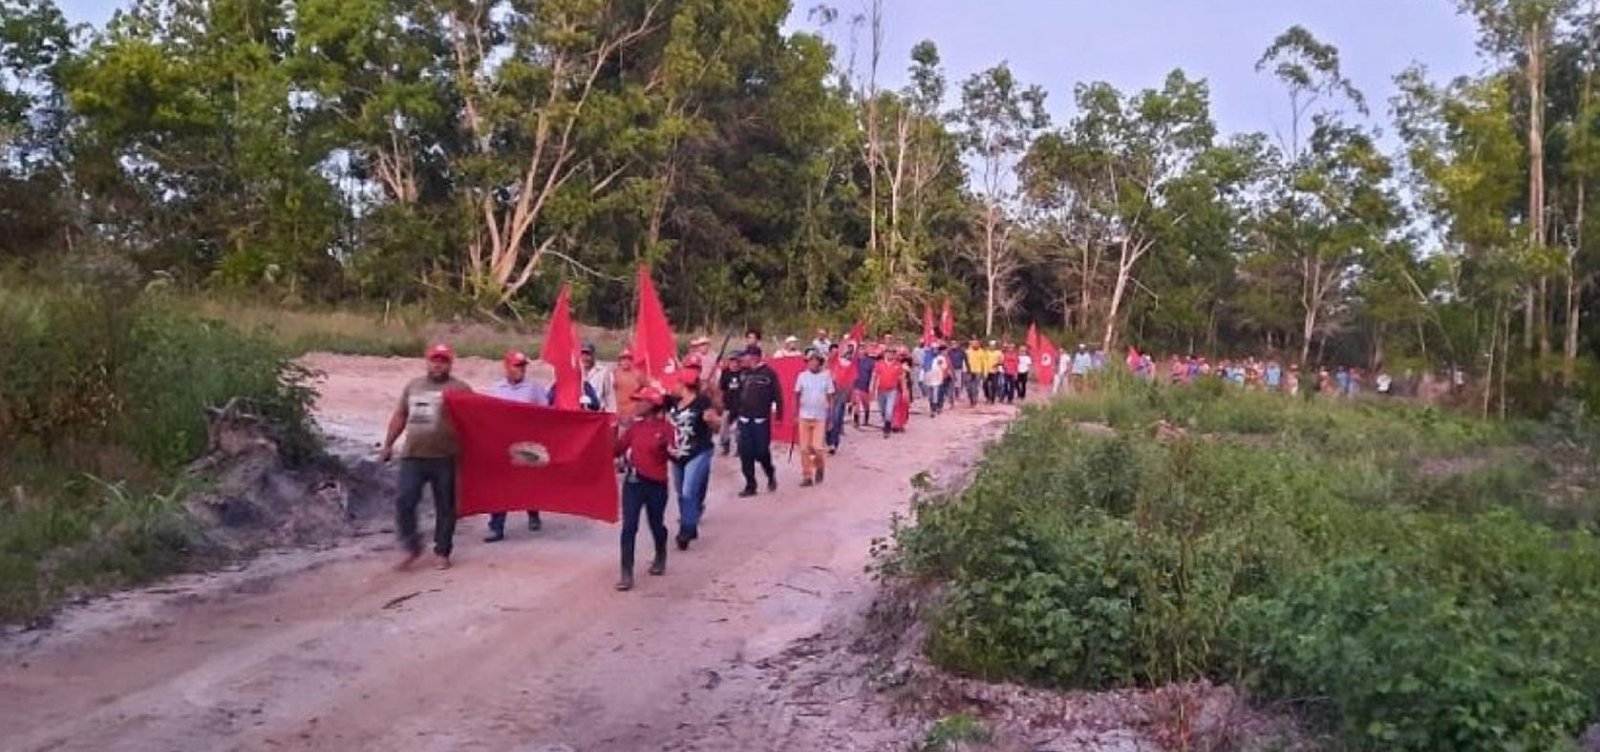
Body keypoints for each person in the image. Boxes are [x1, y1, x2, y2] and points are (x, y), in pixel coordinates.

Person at [379, 343, 471, 571]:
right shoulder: (414, 386)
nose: (438, 364)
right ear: (427, 361)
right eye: (434, 360)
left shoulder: (461, 389)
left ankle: (442, 551)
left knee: (445, 507)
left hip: (446, 457)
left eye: (443, 360)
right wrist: (388, 444)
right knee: (404, 500)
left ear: (450, 363)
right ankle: (412, 546)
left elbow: (474, 422)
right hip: (413, 455)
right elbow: (400, 415)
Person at [613, 387, 673, 591]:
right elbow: (616, 450)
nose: (637, 404)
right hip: (634, 483)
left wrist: (667, 448)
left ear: (652, 405)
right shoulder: (634, 429)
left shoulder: (666, 428)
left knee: (656, 524)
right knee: (629, 527)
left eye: (641, 401)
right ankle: (626, 573)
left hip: (656, 484)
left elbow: (676, 454)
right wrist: (612, 430)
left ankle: (661, 553)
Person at [485, 350, 548, 543]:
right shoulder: (496, 389)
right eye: (517, 365)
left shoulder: (534, 388)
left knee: (529, 481)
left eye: (523, 366)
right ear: (507, 367)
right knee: (500, 485)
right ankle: (496, 526)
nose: (521, 369)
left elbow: (546, 413)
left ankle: (533, 512)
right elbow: (487, 414)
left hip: (527, 442)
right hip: (503, 442)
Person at [667, 369, 718, 550]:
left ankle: (686, 530)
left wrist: (711, 421)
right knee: (681, 493)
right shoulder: (672, 401)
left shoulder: (702, 402)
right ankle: (691, 524)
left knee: (689, 491)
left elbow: (717, 426)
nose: (673, 386)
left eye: (676, 383)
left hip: (698, 452)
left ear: (684, 386)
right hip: (676, 455)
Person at [734, 345, 782, 497]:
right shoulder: (743, 374)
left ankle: (770, 473)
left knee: (761, 452)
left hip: (761, 420)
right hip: (744, 419)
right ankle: (750, 485)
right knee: (745, 453)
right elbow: (734, 394)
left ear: (754, 357)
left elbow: (777, 396)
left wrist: (779, 416)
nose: (743, 359)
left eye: (745, 356)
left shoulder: (769, 374)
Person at [794, 351, 834, 486]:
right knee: (804, 448)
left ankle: (820, 466)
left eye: (815, 360)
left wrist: (831, 416)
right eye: (810, 360)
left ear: (820, 362)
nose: (812, 363)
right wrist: (795, 414)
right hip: (804, 415)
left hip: (820, 417)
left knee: (817, 447)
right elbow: (797, 395)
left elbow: (830, 397)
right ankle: (807, 476)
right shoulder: (802, 376)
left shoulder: (826, 377)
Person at [825, 343, 854, 454]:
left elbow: (851, 380)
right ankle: (828, 439)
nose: (835, 354)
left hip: (839, 394)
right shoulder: (823, 364)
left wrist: (850, 397)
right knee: (826, 418)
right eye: (832, 352)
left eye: (837, 353)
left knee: (836, 418)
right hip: (825, 395)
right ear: (829, 353)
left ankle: (834, 443)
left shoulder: (845, 364)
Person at [870, 344, 901, 438]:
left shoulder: (898, 365)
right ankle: (886, 422)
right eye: (888, 352)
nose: (890, 355)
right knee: (882, 410)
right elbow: (874, 377)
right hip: (881, 390)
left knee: (889, 410)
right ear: (885, 354)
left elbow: (902, 379)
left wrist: (905, 391)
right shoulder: (879, 364)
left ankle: (887, 428)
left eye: (892, 353)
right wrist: (872, 388)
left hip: (892, 390)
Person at [716, 355, 742, 456]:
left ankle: (739, 448)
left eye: (736, 362)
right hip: (728, 404)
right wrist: (720, 402)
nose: (734, 364)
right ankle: (725, 446)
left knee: (738, 428)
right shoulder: (725, 373)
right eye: (732, 361)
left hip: (740, 405)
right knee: (724, 428)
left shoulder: (743, 373)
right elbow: (721, 388)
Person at [581, 342, 616, 412]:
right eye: (582, 355)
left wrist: (610, 414)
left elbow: (610, 396)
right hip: (579, 413)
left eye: (588, 355)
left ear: (593, 355)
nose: (584, 358)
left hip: (597, 414)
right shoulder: (575, 371)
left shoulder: (603, 372)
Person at [851, 343, 879, 427]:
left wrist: (872, 385)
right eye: (859, 349)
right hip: (856, 385)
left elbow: (874, 374)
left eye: (862, 348)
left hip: (866, 386)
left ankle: (866, 419)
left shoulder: (870, 361)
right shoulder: (854, 361)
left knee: (866, 405)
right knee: (857, 403)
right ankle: (856, 420)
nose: (861, 351)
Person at [925, 345, 950, 417]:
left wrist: (941, 364)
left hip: (937, 379)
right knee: (930, 395)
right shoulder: (927, 357)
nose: (935, 350)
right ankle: (931, 407)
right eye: (933, 349)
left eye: (936, 349)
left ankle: (934, 410)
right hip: (928, 379)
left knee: (935, 394)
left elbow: (945, 367)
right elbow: (924, 368)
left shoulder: (941, 358)